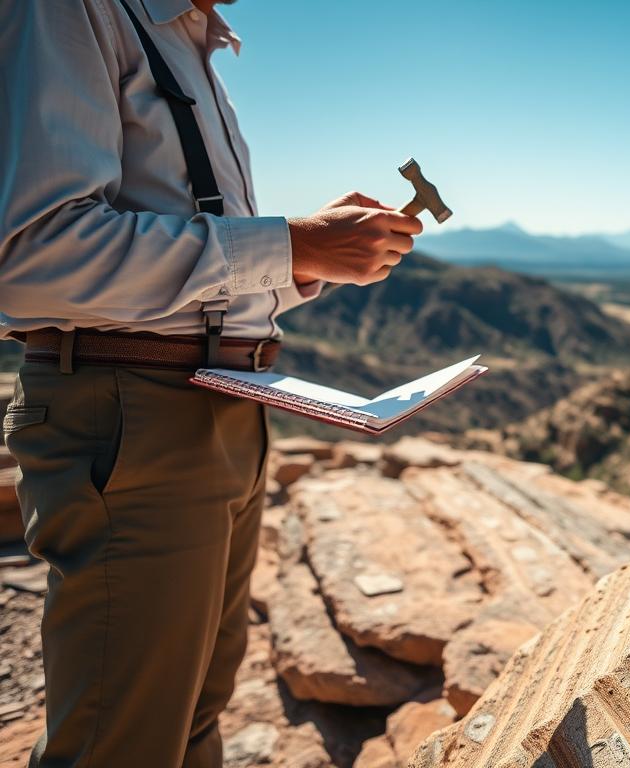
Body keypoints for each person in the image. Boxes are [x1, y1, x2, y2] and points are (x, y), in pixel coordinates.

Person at [0, 1, 423, 764]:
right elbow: (36, 256)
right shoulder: (69, 10)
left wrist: (301, 259)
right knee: (121, 743)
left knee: (194, 716)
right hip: (131, 416)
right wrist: (289, 241)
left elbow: (199, 272)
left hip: (218, 409)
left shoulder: (194, 42)